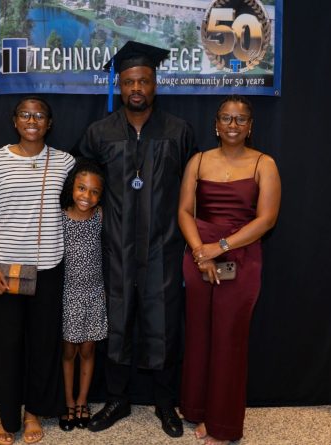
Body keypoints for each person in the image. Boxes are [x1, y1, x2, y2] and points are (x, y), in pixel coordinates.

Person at [76, 41, 197, 438]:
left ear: (155, 84)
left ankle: (165, 403)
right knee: (116, 323)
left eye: (144, 80)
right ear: (120, 85)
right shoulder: (100, 132)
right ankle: (117, 399)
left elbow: (194, 188)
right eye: (129, 82)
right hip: (116, 248)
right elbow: (82, 182)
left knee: (163, 326)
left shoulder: (178, 131)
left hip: (164, 247)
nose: (136, 88)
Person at [178, 95, 281, 444]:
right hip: (199, 256)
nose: (232, 125)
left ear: (250, 126)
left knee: (228, 339)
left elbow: (266, 219)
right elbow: (184, 211)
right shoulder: (198, 161)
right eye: (226, 118)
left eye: (240, 119)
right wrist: (200, 252)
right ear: (216, 124)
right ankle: (197, 409)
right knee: (199, 335)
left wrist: (219, 248)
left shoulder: (264, 164)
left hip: (241, 256)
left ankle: (223, 425)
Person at [0, 95, 75, 445]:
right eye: (25, 114)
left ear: (49, 123)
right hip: (7, 269)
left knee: (43, 345)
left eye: (39, 115)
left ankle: (34, 412)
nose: (32, 120)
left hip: (49, 267)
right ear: (15, 120)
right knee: (8, 347)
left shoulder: (65, 162)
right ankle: (8, 417)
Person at [58, 158, 108, 432]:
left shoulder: (100, 215)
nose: (86, 196)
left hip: (93, 294)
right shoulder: (61, 216)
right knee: (69, 351)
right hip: (68, 295)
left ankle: (82, 401)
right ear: (72, 187)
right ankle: (68, 402)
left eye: (94, 191)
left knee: (88, 349)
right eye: (81, 188)